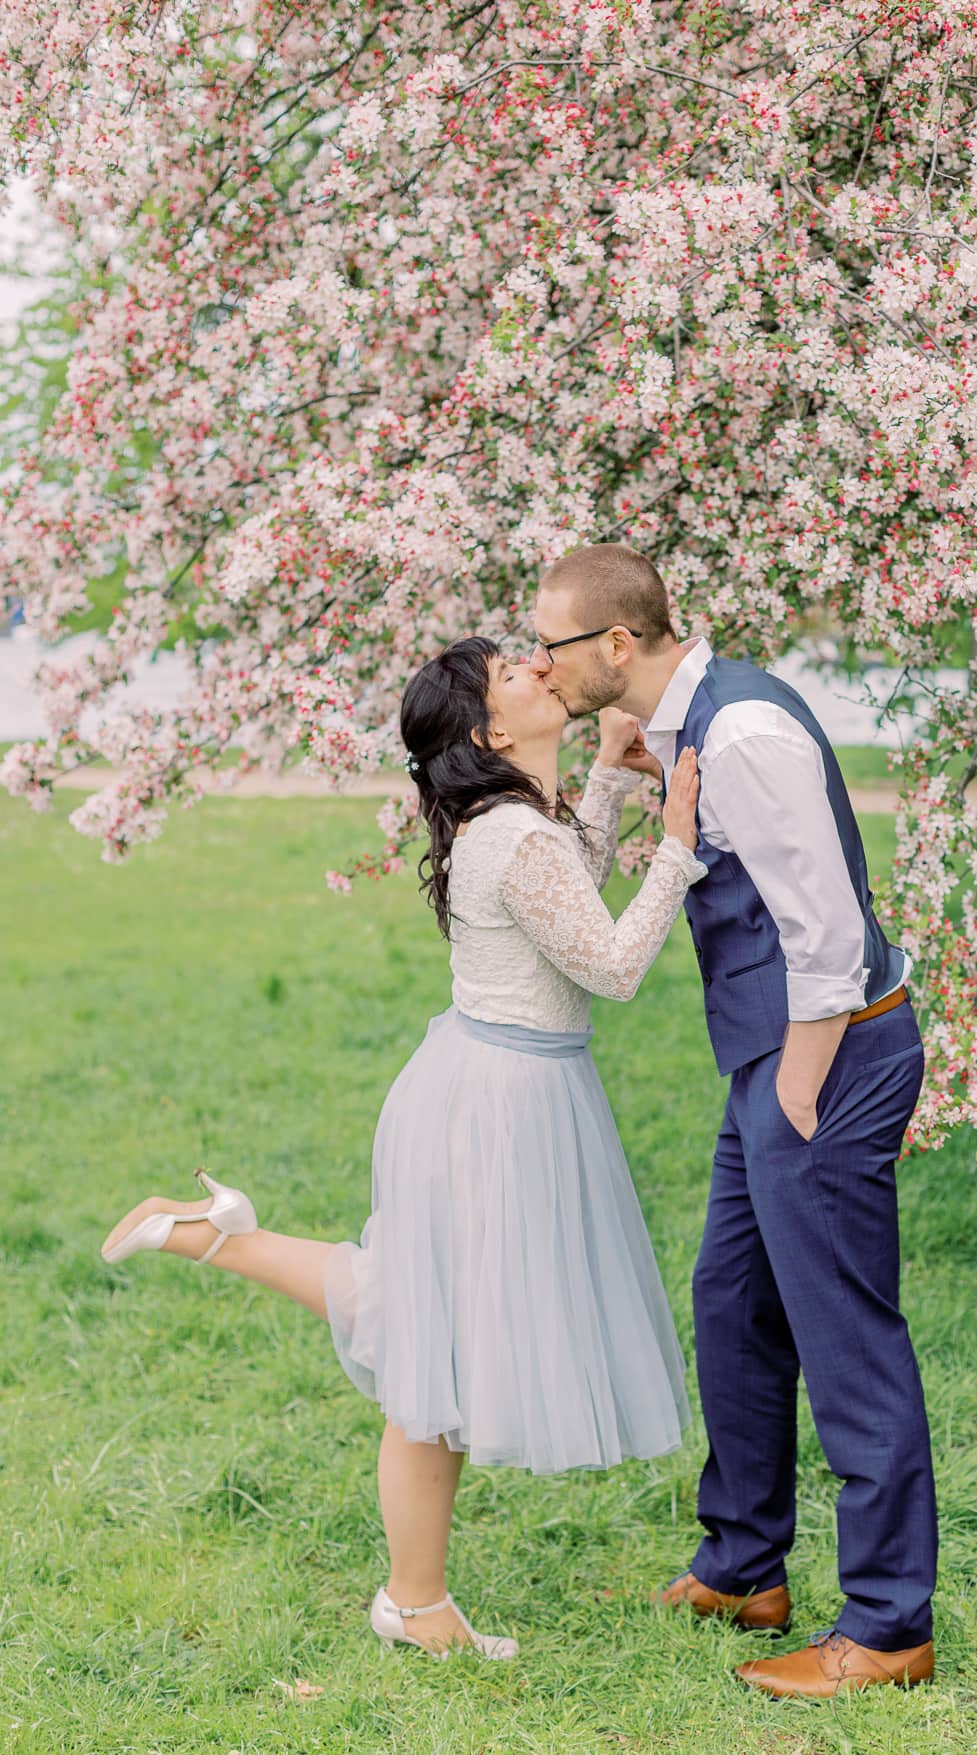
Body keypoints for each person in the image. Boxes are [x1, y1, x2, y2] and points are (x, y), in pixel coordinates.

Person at [100, 636, 706, 1661]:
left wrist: (605, 772)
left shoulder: (516, 826)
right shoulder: (510, 836)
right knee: (437, 1353)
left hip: (493, 1087)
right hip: (497, 1105)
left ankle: (218, 1234)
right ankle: (414, 1604)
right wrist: (680, 845)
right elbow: (606, 963)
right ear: (491, 731)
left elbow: (572, 892)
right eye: (511, 673)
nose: (535, 666)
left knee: (433, 1335)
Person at [529, 544, 937, 1699]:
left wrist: (803, 1081)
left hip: (828, 1050)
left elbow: (830, 937)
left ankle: (890, 1624)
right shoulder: (679, 725)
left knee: (846, 1332)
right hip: (776, 1055)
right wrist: (619, 761)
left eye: (552, 644)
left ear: (617, 644)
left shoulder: (743, 732)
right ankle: (747, 1562)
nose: (539, 666)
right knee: (732, 1300)